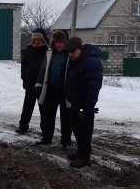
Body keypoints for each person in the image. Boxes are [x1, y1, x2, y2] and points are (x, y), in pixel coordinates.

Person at [64, 37, 103, 168]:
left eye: (72, 52)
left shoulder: (91, 62)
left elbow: (94, 86)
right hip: (75, 101)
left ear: (80, 49)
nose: (70, 54)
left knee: (84, 130)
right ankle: (80, 151)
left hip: (85, 104)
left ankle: (84, 157)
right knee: (76, 127)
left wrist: (88, 106)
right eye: (68, 52)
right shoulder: (75, 59)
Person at [35, 30, 72, 148]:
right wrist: (39, 83)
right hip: (50, 89)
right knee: (48, 116)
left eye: (61, 42)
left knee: (66, 117)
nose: (59, 45)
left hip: (65, 91)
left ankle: (65, 141)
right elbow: (43, 69)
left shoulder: (70, 54)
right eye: (57, 42)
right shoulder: (50, 53)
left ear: (66, 42)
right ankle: (46, 138)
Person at [16, 28, 49, 134]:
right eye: (35, 40)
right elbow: (24, 66)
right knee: (27, 107)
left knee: (43, 109)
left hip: (42, 85)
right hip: (30, 84)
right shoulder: (28, 50)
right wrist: (24, 78)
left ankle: (45, 130)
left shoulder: (47, 52)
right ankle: (23, 126)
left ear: (43, 40)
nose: (37, 42)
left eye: (39, 40)